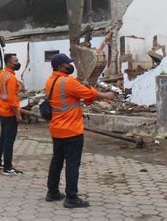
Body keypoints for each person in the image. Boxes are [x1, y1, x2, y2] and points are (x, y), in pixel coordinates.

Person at [45, 53, 115, 208]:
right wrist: (107, 95)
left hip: (56, 129)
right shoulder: (68, 82)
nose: (70, 66)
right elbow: (90, 94)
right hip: (71, 130)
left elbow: (75, 95)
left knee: (57, 161)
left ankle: (52, 192)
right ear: (60, 67)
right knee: (72, 164)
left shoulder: (50, 81)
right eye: (67, 64)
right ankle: (71, 198)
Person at [0, 53, 23, 176]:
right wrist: (17, 114)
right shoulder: (10, 78)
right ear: (9, 63)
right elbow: (11, 99)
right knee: (9, 141)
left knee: (3, 137)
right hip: (10, 113)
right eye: (15, 61)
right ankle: (8, 167)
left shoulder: (1, 75)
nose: (17, 63)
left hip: (2, 111)